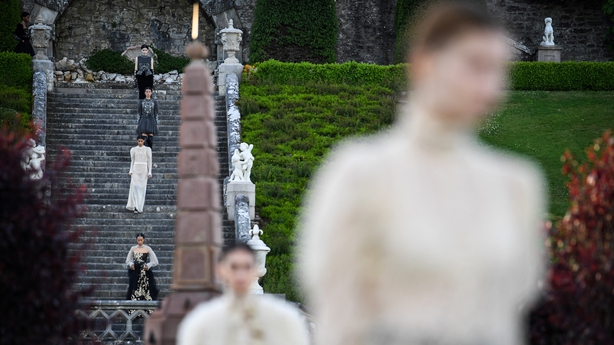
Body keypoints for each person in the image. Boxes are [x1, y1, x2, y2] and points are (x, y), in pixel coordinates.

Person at [299, 3, 547, 345]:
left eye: (498, 70)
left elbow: (516, 309)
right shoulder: (359, 173)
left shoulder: (517, 184)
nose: (491, 88)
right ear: (424, 63)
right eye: (475, 65)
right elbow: (337, 315)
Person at [177, 242, 309, 345]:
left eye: (247, 267)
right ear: (220, 270)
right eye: (234, 267)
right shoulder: (200, 322)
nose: (241, 275)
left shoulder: (285, 320)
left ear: (256, 270)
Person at [125, 233, 159, 303]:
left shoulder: (147, 248)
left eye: (141, 240)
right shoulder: (133, 248)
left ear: (144, 240)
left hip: (144, 271)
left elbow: (155, 261)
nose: (140, 242)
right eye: (138, 240)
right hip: (135, 271)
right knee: (134, 288)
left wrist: (148, 265)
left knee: (146, 288)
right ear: (136, 240)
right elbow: (128, 260)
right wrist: (131, 264)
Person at [126, 136, 152, 214]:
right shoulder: (133, 149)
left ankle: (139, 206)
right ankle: (135, 206)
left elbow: (149, 160)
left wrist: (150, 171)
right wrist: (131, 170)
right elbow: (132, 160)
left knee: (142, 188)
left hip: (144, 168)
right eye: (139, 141)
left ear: (143, 141)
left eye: (141, 141)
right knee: (135, 187)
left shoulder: (147, 149)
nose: (140, 142)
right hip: (136, 168)